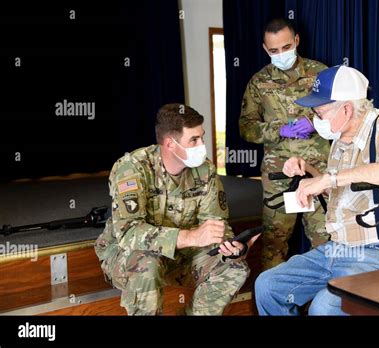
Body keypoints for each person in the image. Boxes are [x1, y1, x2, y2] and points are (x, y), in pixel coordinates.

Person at [255, 65, 379, 315]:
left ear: (347, 109)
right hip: (340, 247)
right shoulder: (340, 140)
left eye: (319, 111)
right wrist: (308, 172)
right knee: (268, 285)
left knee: (324, 306)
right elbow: (340, 192)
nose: (315, 118)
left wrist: (328, 179)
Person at [95, 103, 259, 315]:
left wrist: (230, 247)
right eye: (194, 140)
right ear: (170, 144)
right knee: (148, 265)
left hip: (181, 255)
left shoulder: (205, 169)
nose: (202, 145)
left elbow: (215, 223)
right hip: (128, 255)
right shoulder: (133, 167)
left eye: (202, 137)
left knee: (235, 267)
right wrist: (191, 237)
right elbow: (128, 233)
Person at [239, 18, 330, 270]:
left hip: (318, 172)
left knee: (326, 241)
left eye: (286, 47)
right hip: (279, 174)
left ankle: (323, 304)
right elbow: (246, 128)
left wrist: (316, 121)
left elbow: (342, 113)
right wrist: (279, 130)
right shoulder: (258, 82)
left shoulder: (320, 73)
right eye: (274, 50)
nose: (281, 54)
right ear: (265, 49)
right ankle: (274, 302)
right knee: (274, 244)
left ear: (297, 41)